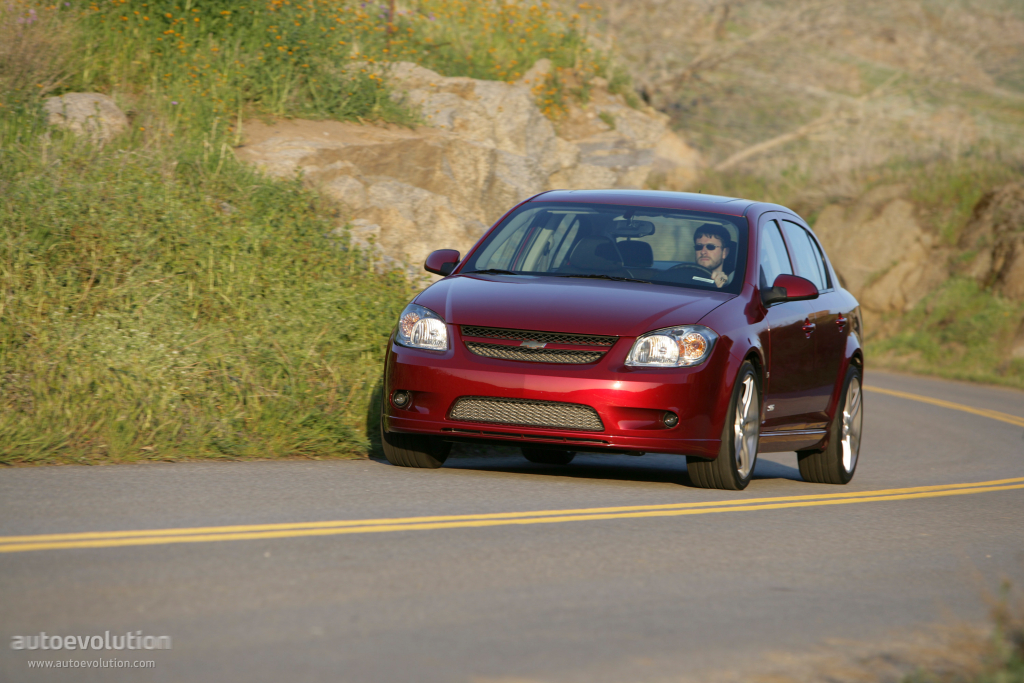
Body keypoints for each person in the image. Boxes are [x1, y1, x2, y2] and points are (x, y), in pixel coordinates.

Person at [693, 224, 735, 288]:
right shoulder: (682, 275)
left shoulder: (731, 282)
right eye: (699, 247)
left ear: (724, 252)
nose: (703, 252)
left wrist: (723, 281)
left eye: (710, 247)